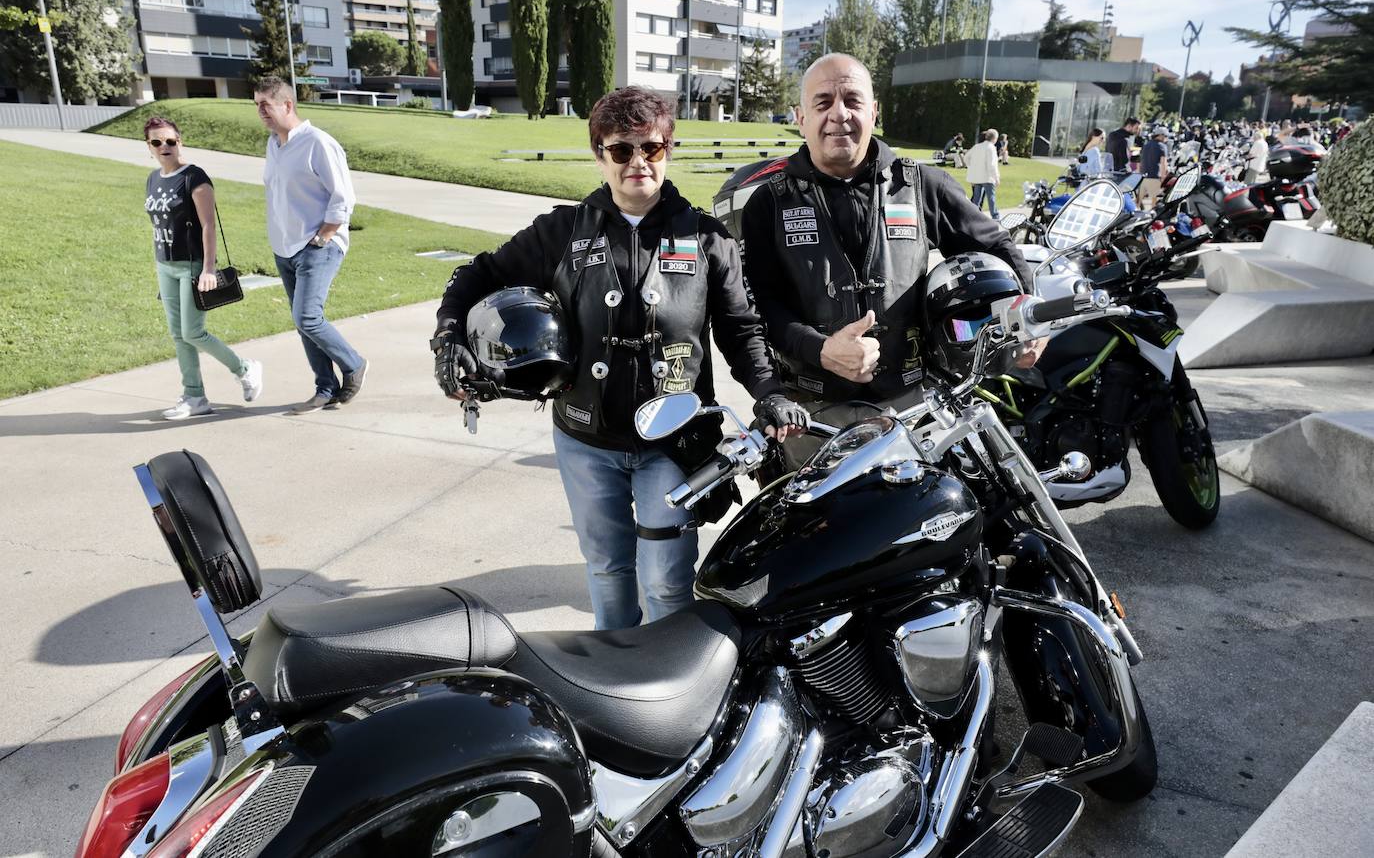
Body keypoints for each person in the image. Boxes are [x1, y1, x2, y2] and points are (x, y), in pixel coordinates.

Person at [432, 86, 806, 631]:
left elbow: (741, 331)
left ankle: (668, 690)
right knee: (607, 569)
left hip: (673, 440)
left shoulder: (706, 238)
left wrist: (769, 393)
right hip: (586, 440)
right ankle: (616, 686)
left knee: (665, 579)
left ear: (668, 150)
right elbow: (477, 275)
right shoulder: (561, 231)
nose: (637, 163)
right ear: (599, 153)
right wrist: (448, 338)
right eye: (620, 149)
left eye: (651, 148)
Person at [738, 53, 1040, 455]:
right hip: (812, 415)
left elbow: (998, 247)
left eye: (853, 100)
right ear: (800, 117)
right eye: (823, 102)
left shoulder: (922, 186)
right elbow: (761, 306)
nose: (839, 114)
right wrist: (820, 349)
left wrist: (1031, 316)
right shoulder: (769, 203)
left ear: (874, 111)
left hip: (912, 407)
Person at [254, 76, 368, 414]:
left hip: (317, 245)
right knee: (302, 320)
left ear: (287, 105)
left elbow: (343, 197)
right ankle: (324, 387)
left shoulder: (318, 143)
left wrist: (325, 235)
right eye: (256, 104)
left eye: (266, 104)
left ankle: (354, 363)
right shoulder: (274, 145)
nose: (260, 111)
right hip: (285, 248)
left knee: (307, 317)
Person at [143, 116, 263, 420]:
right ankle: (194, 396)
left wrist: (208, 269)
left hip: (193, 265)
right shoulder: (153, 178)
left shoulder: (195, 178)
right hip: (165, 265)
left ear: (179, 141)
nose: (164, 146)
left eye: (170, 140)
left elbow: (208, 225)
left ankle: (245, 368)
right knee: (177, 334)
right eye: (157, 142)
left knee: (193, 332)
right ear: (149, 146)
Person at [966, 128, 1001, 218]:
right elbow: (992, 165)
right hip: (987, 178)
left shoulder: (977, 146)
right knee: (991, 198)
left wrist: (971, 167)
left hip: (978, 177)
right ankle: (995, 216)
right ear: (995, 138)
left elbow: (966, 157)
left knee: (976, 198)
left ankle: (972, 215)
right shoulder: (991, 148)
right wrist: (996, 177)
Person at [1139, 127, 1169, 209]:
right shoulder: (1162, 146)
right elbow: (1163, 163)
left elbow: (1141, 160)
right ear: (1161, 136)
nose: (1166, 139)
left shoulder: (1146, 145)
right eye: (1166, 136)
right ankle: (1149, 218)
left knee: (1141, 200)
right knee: (1152, 203)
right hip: (1154, 176)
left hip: (1143, 175)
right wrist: (1163, 177)